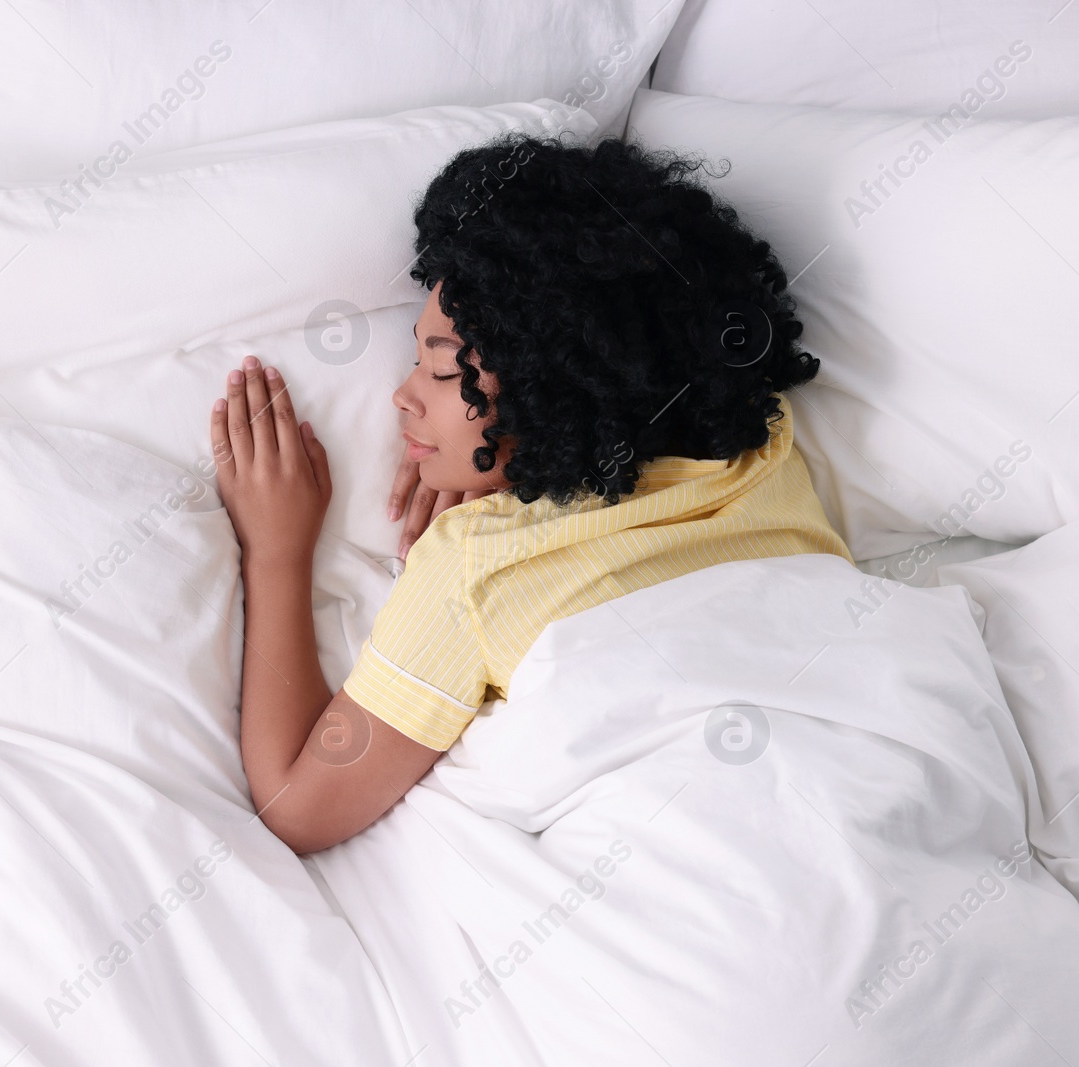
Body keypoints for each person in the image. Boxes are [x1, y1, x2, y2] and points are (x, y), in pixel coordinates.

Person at [206, 133, 851, 853]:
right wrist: (501, 463)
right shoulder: (763, 448)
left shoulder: (471, 569)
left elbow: (298, 808)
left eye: (443, 372)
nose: (401, 396)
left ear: (555, 396)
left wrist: (276, 552)